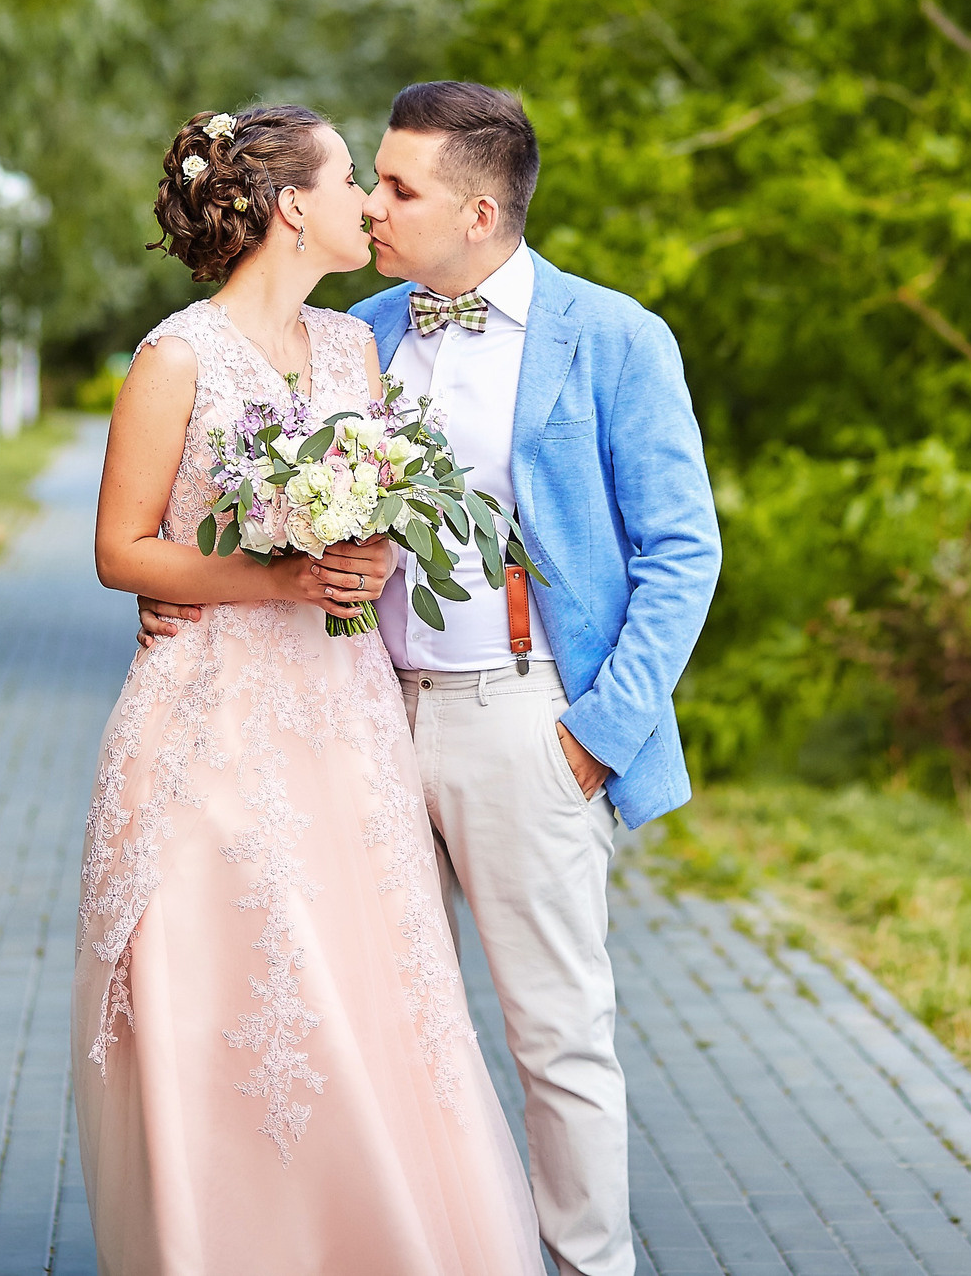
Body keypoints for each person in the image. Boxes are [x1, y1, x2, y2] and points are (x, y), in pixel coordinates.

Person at [140, 82, 723, 1276]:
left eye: (402, 189)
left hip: (529, 720)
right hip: (361, 722)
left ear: (480, 213)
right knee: (395, 1032)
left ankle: (589, 1267)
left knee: (558, 1036)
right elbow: (260, 497)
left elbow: (684, 550)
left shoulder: (615, 339)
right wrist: (190, 582)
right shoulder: (362, 331)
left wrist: (596, 732)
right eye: (376, 179)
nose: (378, 206)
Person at [74, 104, 540, 1276]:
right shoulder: (175, 356)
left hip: (343, 721)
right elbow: (122, 549)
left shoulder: (352, 351)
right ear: (292, 208)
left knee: (365, 1002)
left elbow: (374, 521)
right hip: (210, 732)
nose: (367, 205)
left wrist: (367, 556)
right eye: (350, 181)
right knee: (235, 1000)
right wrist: (271, 578)